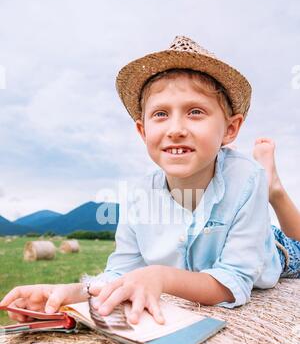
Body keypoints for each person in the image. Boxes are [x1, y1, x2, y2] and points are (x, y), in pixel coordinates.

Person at [2, 36, 300, 326]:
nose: (176, 129)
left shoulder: (246, 180)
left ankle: (273, 187)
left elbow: (234, 281)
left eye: (195, 112)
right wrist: (73, 293)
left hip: (274, 249)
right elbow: (120, 272)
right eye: (161, 114)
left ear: (230, 129)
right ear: (142, 132)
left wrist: (161, 276)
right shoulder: (139, 196)